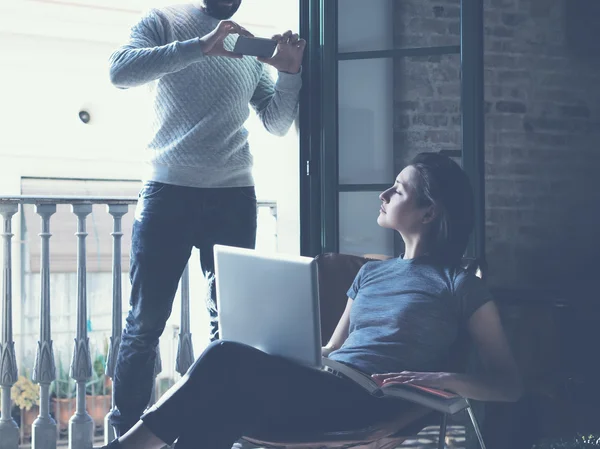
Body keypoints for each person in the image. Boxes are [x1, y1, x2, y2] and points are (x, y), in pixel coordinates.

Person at [98, 152, 522, 449]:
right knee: (221, 408)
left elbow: (508, 385)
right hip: (323, 385)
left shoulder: (459, 285)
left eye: (397, 190)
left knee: (224, 358)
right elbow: (333, 350)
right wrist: (280, 349)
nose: (384, 195)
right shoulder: (370, 273)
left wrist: (443, 378)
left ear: (429, 213)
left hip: (369, 403)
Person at [107, 0, 306, 437]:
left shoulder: (248, 50)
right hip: (167, 192)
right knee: (144, 325)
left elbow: (275, 122)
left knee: (230, 328)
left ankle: (210, 435)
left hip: (233, 197)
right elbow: (120, 71)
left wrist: (290, 72)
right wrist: (201, 46)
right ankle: (126, 437)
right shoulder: (162, 21)